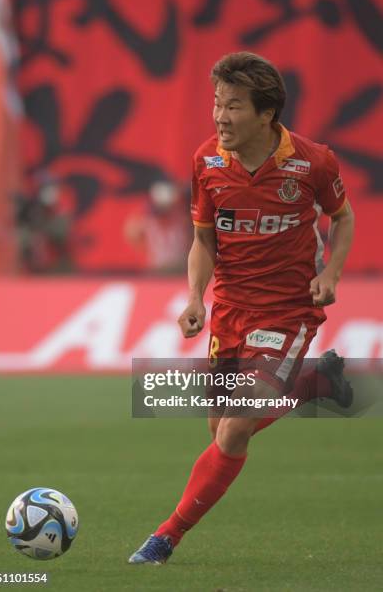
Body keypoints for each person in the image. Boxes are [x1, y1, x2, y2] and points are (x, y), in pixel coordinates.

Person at [129, 52, 355, 564]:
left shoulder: (313, 161)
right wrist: (193, 297)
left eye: (232, 106)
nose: (219, 116)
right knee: (222, 429)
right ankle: (314, 384)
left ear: (265, 114)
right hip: (230, 307)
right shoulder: (207, 162)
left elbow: (343, 218)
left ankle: (165, 537)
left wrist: (331, 274)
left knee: (233, 426)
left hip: (288, 308)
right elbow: (203, 240)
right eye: (216, 102)